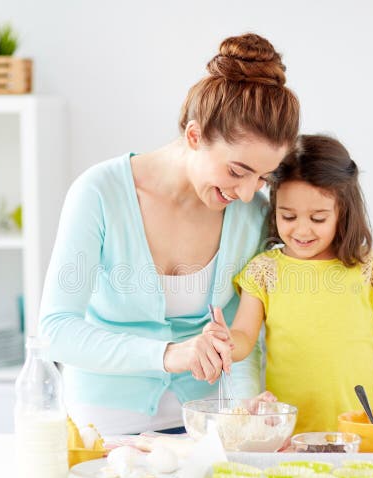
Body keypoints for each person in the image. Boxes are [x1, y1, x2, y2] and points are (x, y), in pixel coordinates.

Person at [38, 33, 300, 435]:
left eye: (263, 178)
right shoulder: (99, 193)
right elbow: (56, 330)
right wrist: (169, 354)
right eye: (236, 171)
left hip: (208, 424)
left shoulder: (252, 215)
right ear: (194, 136)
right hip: (105, 427)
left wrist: (244, 411)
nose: (247, 192)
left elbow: (241, 337)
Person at [206, 134, 373, 433]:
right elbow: (244, 334)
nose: (301, 230)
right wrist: (228, 342)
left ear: (342, 212)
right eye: (288, 216)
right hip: (289, 432)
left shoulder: (366, 266)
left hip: (360, 428)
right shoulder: (264, 271)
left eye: (318, 218)